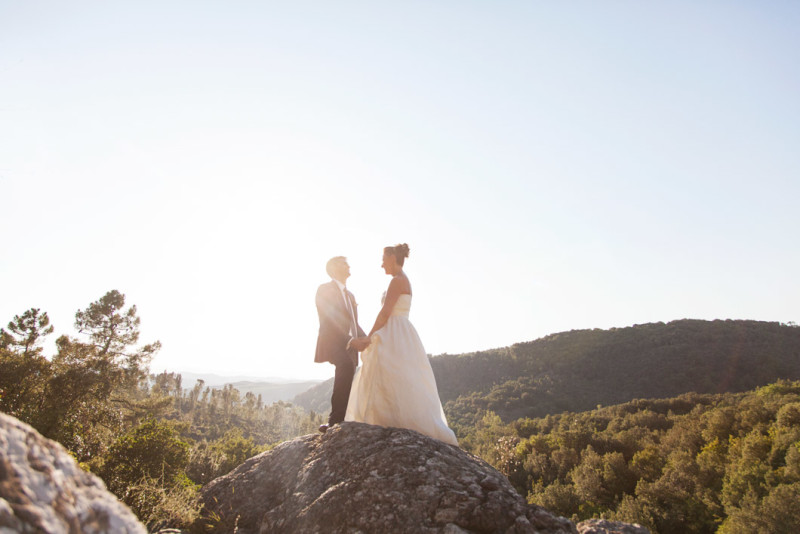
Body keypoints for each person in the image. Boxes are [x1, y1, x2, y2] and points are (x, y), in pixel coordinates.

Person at [346, 244, 458, 446]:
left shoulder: (398, 281)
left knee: (392, 374)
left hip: (395, 331)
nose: (381, 265)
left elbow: (385, 313)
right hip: (400, 331)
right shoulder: (402, 280)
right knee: (399, 376)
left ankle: (391, 421)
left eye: (383, 259)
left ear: (391, 258)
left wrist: (369, 337)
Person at [315, 256, 366, 433]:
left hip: (350, 344)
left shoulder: (350, 295)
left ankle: (344, 418)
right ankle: (334, 421)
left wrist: (368, 338)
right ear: (334, 268)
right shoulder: (324, 290)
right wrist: (351, 340)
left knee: (350, 375)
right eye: (345, 263)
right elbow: (329, 319)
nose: (349, 265)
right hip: (333, 341)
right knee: (344, 366)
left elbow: (354, 322)